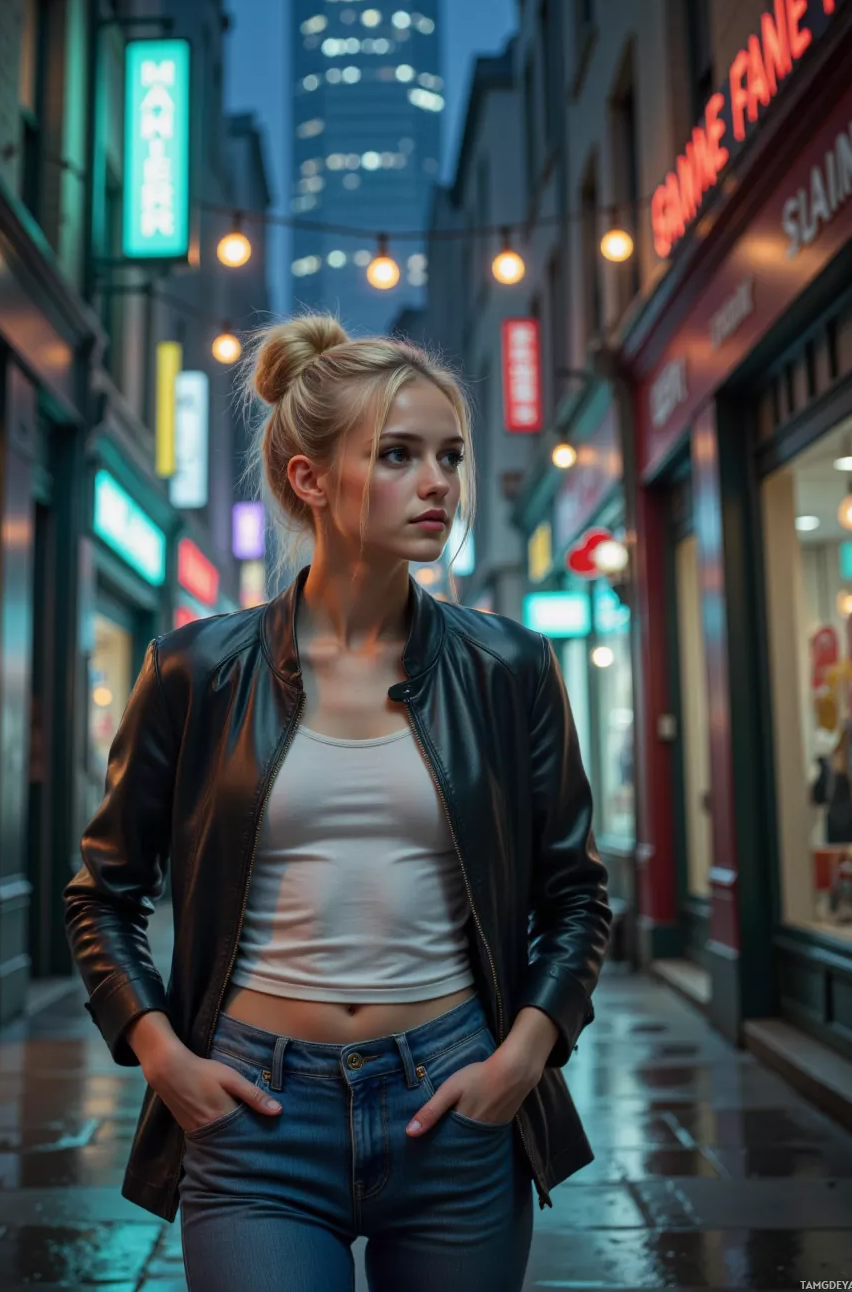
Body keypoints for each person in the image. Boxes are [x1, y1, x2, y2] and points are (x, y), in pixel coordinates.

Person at [65, 316, 611, 1292]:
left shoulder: (510, 668)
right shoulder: (198, 669)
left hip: (455, 1098)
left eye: (449, 454)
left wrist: (523, 1055)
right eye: (398, 454)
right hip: (254, 1117)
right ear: (309, 478)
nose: (439, 481)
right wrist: (163, 1056)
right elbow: (101, 892)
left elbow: (575, 894)